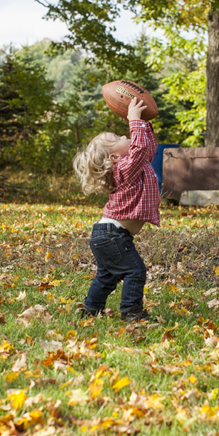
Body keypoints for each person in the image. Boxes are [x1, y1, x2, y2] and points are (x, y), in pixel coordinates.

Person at [72, 97, 160, 322]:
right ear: (114, 157)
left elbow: (147, 147)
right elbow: (139, 148)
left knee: (106, 277)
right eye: (118, 138)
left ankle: (91, 310)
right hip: (112, 235)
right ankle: (131, 312)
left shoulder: (135, 165)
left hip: (108, 235)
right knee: (135, 271)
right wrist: (133, 120)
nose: (124, 135)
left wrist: (143, 122)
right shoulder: (123, 170)